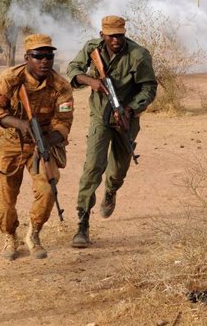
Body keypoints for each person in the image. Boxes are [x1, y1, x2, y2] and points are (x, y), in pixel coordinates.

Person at [66, 16, 157, 248]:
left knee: (118, 168)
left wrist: (131, 109)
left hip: (126, 118)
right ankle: (83, 223)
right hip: (100, 115)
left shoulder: (138, 54)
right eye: (111, 35)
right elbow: (73, 70)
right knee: (93, 166)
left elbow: (149, 87)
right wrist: (92, 82)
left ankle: (111, 191)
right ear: (102, 35)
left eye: (120, 34)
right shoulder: (92, 48)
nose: (116, 39)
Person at [0, 34, 73, 260]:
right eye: (38, 56)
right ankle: (10, 236)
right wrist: (19, 124)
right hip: (10, 143)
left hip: (42, 144)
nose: (45, 61)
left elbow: (64, 122)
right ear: (27, 57)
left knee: (47, 190)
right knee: (6, 199)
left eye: (49, 56)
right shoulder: (10, 78)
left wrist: (48, 140)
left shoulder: (61, 86)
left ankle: (33, 234)